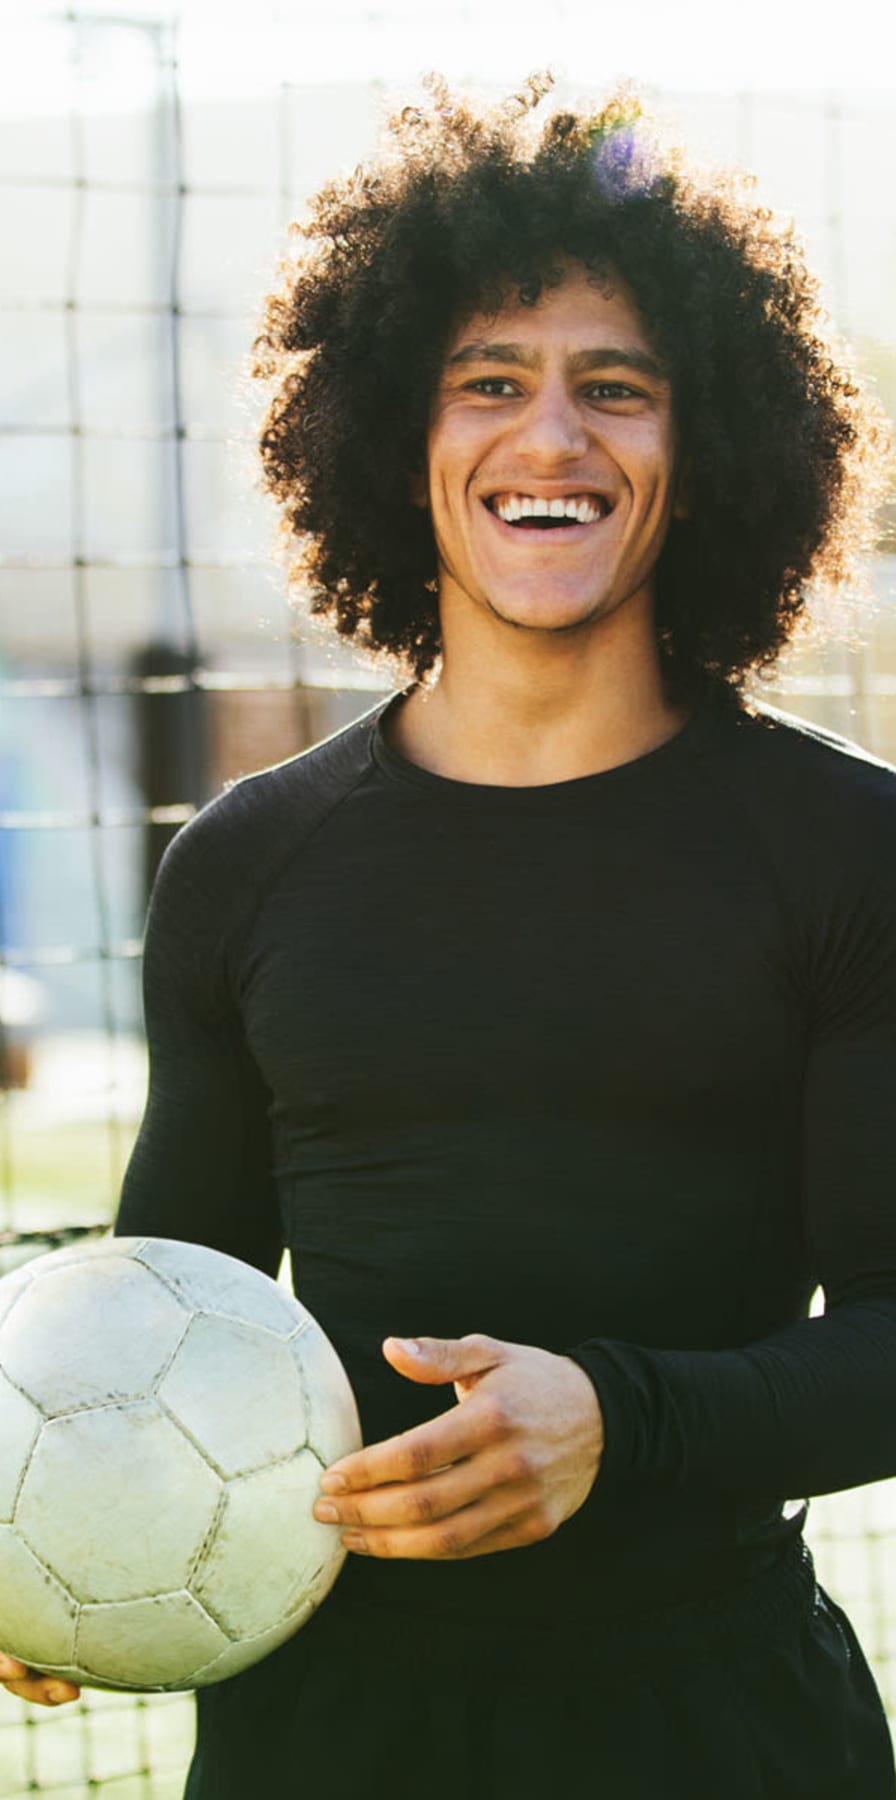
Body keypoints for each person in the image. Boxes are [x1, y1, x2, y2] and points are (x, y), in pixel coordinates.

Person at [3, 76, 895, 1798]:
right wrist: (65, 1537)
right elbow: (151, 1328)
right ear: (390, 444)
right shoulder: (248, 866)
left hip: (715, 1719)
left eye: (614, 391)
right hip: (327, 1735)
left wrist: (621, 1423)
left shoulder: (851, 852)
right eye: (490, 382)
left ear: (703, 458)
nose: (549, 439)